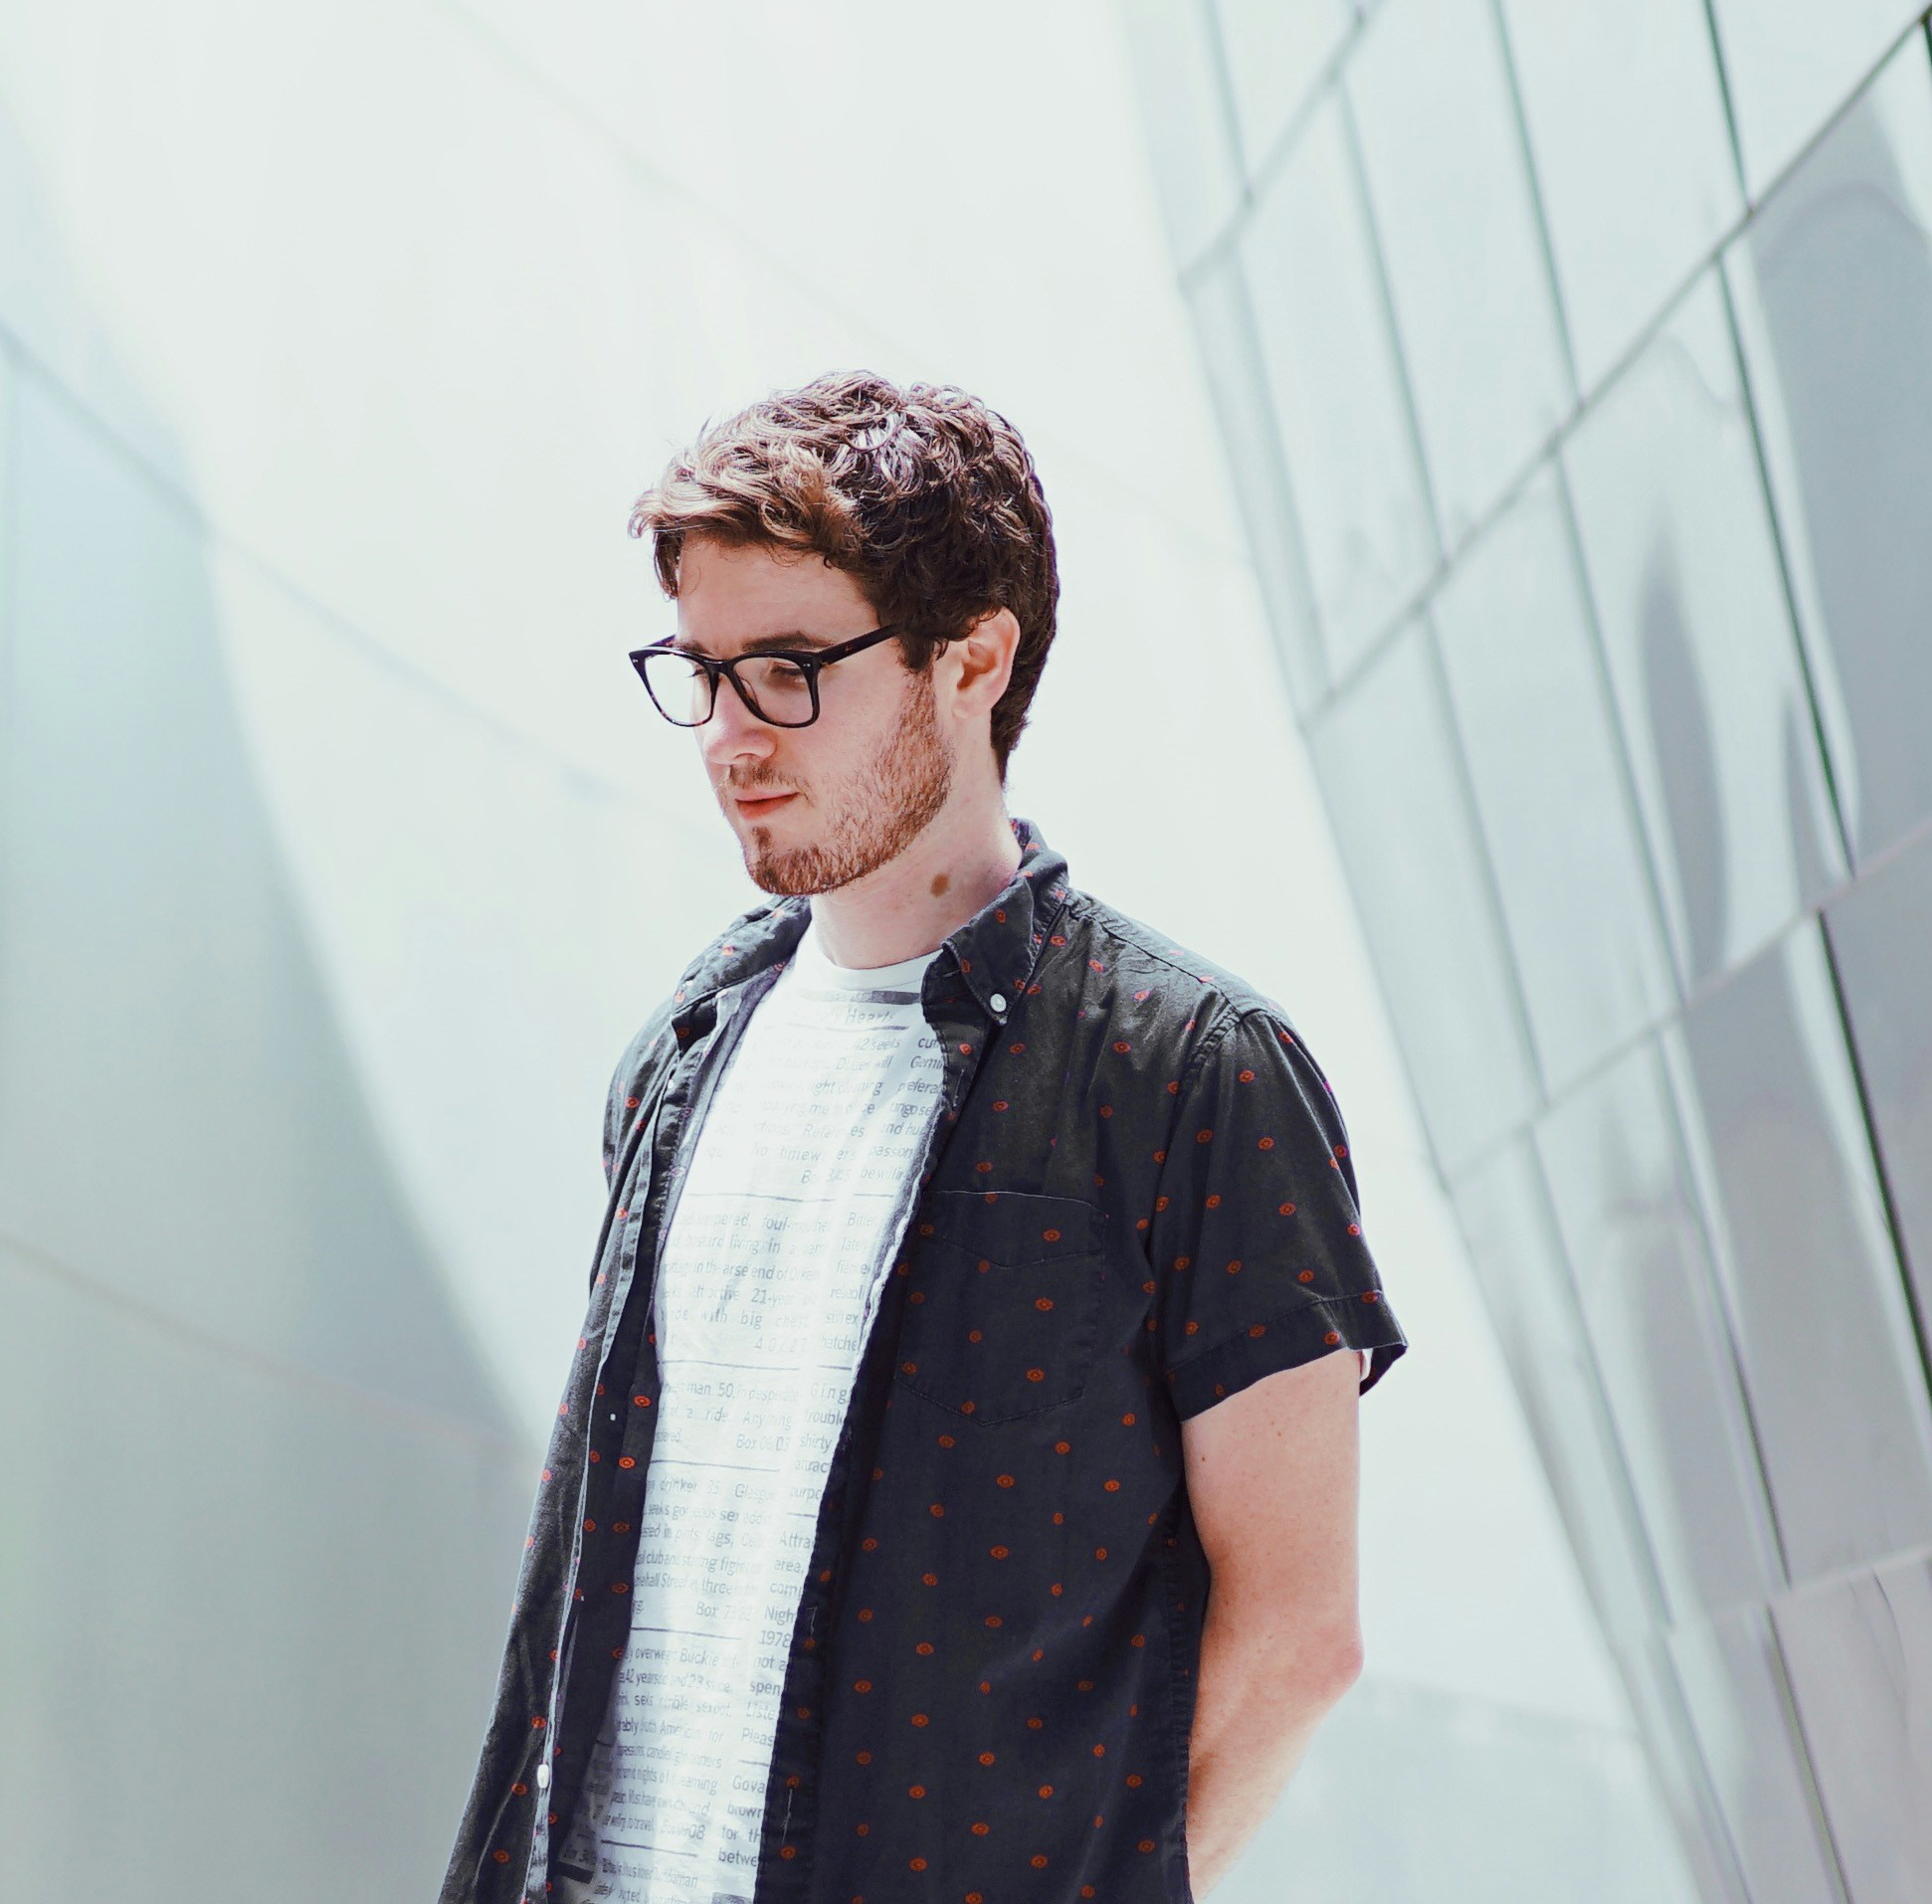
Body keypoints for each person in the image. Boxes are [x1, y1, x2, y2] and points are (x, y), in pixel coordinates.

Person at [443, 374, 1400, 1904]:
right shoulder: (686, 1053)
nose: (731, 737)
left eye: (790, 671)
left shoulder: (1192, 1079)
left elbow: (1298, 1636)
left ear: (976, 660)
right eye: (701, 673)